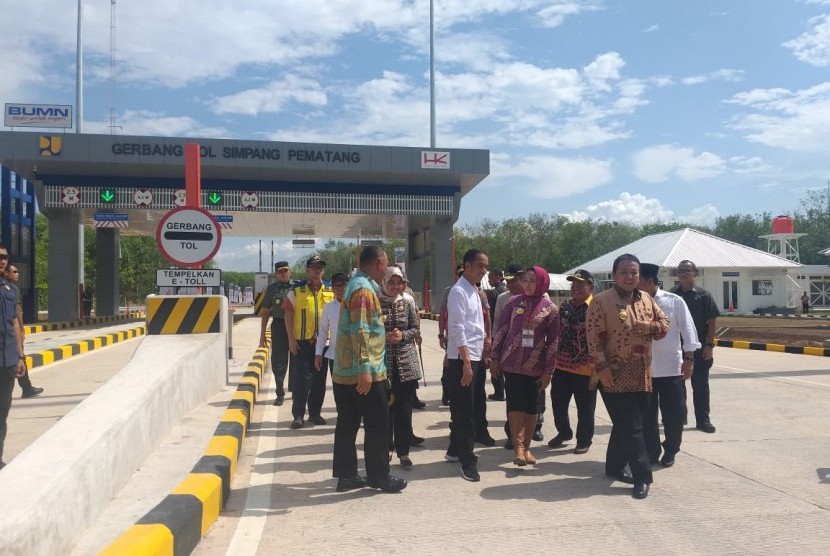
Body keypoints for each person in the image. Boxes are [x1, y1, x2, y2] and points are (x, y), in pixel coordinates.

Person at [586, 254, 669, 500]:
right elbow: (593, 340)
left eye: (634, 272)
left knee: (629, 424)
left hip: (642, 373)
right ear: (614, 276)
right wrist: (602, 368)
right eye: (624, 272)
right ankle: (642, 477)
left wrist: (649, 327)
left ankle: (613, 465)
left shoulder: (646, 298)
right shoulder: (601, 302)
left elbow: (664, 324)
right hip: (613, 373)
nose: (630, 277)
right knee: (633, 427)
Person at [331, 245, 406, 493]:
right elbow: (360, 328)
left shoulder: (358, 285)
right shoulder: (363, 290)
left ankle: (347, 475)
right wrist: (364, 368)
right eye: (385, 263)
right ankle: (378, 476)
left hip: (346, 369)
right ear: (378, 263)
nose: (386, 268)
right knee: (377, 422)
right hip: (363, 371)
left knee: (348, 422)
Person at [490, 266, 560, 467]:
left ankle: (527, 447)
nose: (528, 285)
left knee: (532, 408)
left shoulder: (551, 310)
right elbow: (502, 330)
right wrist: (494, 357)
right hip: (511, 364)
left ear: (542, 283)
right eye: (525, 280)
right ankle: (518, 448)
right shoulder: (513, 303)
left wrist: (549, 371)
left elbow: (553, 343)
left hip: (536, 367)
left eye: (532, 281)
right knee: (515, 405)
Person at [638, 263, 700, 467]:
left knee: (673, 414)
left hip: (671, 368)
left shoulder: (674, 301)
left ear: (649, 281)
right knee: (647, 416)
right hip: (643, 369)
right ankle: (652, 450)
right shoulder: (632, 302)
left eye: (637, 279)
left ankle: (671, 449)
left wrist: (689, 359)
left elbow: (688, 331)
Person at [445, 248, 489, 482]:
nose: (484, 271)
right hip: (463, 359)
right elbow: (457, 328)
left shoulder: (474, 290)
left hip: (474, 357)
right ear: (467, 266)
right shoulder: (458, 291)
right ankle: (466, 460)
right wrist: (465, 362)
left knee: (469, 405)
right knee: (465, 412)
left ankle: (454, 450)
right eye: (480, 266)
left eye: (485, 266)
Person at [548, 269, 596, 454]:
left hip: (585, 368)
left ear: (590, 287)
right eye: (573, 285)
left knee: (585, 408)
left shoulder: (595, 307)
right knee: (558, 403)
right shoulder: (566, 306)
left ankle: (584, 440)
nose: (575, 288)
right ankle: (564, 432)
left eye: (579, 285)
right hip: (562, 366)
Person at [284, 255, 335, 429]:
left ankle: (315, 413)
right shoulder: (296, 290)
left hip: (324, 344)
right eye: (314, 268)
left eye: (320, 268)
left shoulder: (330, 289)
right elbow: (288, 314)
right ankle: (298, 415)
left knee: (319, 381)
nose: (317, 272)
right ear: (307, 271)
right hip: (302, 343)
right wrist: (291, 338)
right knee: (301, 381)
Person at [379, 267, 423, 467]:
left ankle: (403, 451)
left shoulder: (408, 301)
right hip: (383, 363)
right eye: (392, 282)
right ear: (384, 282)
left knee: (404, 409)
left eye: (399, 282)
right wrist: (384, 337)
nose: (396, 287)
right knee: (384, 409)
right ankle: (386, 447)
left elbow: (415, 329)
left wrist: (402, 336)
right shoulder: (375, 301)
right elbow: (367, 330)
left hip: (406, 363)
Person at [670, 260, 720, 434]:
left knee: (700, 386)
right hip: (676, 349)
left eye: (687, 270)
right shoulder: (671, 296)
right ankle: (679, 417)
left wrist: (709, 345)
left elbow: (712, 322)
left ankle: (703, 420)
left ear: (695, 273)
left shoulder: (704, 296)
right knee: (677, 386)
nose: (683, 273)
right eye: (680, 270)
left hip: (699, 349)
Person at [0, 245, 28, 470]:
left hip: (8, 359)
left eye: (4, 257)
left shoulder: (9, 289)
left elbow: (13, 324)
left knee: (3, 411)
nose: (2, 261)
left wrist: (20, 356)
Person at [493, 263, 525, 450]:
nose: (512, 285)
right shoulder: (503, 299)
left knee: (533, 397)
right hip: (509, 354)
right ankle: (512, 434)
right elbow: (497, 325)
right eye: (509, 282)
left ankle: (533, 427)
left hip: (532, 356)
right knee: (513, 395)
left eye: (515, 281)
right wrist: (495, 353)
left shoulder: (540, 297)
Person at [3, 265, 42, 399]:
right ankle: (27, 388)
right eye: (14, 272)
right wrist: (21, 330)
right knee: (19, 359)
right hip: (10, 332)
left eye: (18, 271)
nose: (17, 274)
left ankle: (27, 387)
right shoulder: (12, 288)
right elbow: (17, 311)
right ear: (6, 273)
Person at [259, 261, 294, 406]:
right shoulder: (272, 289)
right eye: (281, 272)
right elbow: (266, 312)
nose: (284, 274)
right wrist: (262, 335)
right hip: (279, 326)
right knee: (278, 361)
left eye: (286, 271)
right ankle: (280, 392)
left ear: (289, 272)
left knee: (297, 360)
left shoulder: (297, 287)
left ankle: (295, 390)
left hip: (295, 327)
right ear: (276, 274)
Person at [315, 272, 349, 375]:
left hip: (353, 357)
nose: (340, 289)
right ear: (332, 288)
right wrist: (318, 354)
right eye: (336, 286)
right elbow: (323, 333)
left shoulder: (356, 306)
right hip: (335, 356)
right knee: (338, 390)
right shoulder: (328, 307)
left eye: (343, 285)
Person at [485, 269, 507, 401]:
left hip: (497, 333)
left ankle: (499, 392)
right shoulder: (506, 290)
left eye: (490, 277)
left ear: (498, 277)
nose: (488, 280)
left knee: (496, 362)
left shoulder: (495, 293)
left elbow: (491, 316)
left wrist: (490, 335)